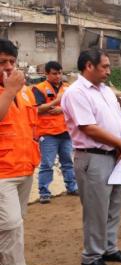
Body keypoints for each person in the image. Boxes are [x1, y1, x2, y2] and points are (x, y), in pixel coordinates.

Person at [61, 49, 121, 265]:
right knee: (96, 210)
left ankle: (109, 248)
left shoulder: (105, 90)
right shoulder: (76, 92)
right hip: (92, 157)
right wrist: (120, 144)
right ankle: (91, 256)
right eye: (104, 66)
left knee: (113, 205)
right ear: (89, 66)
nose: (108, 71)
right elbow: (88, 127)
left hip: (114, 155)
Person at [0, 39, 45, 265]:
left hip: (25, 168)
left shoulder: (25, 91)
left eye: (11, 62)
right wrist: (8, 91)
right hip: (2, 173)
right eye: (1, 62)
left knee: (14, 227)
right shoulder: (13, 88)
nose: (8, 67)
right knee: (10, 227)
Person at [32, 61, 78, 204]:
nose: (58, 76)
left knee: (68, 162)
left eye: (60, 73)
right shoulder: (38, 88)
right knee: (47, 164)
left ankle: (72, 187)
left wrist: (61, 109)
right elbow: (38, 109)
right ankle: (44, 193)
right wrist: (55, 102)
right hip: (48, 133)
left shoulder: (67, 88)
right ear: (46, 74)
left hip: (65, 132)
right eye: (54, 73)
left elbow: (75, 107)